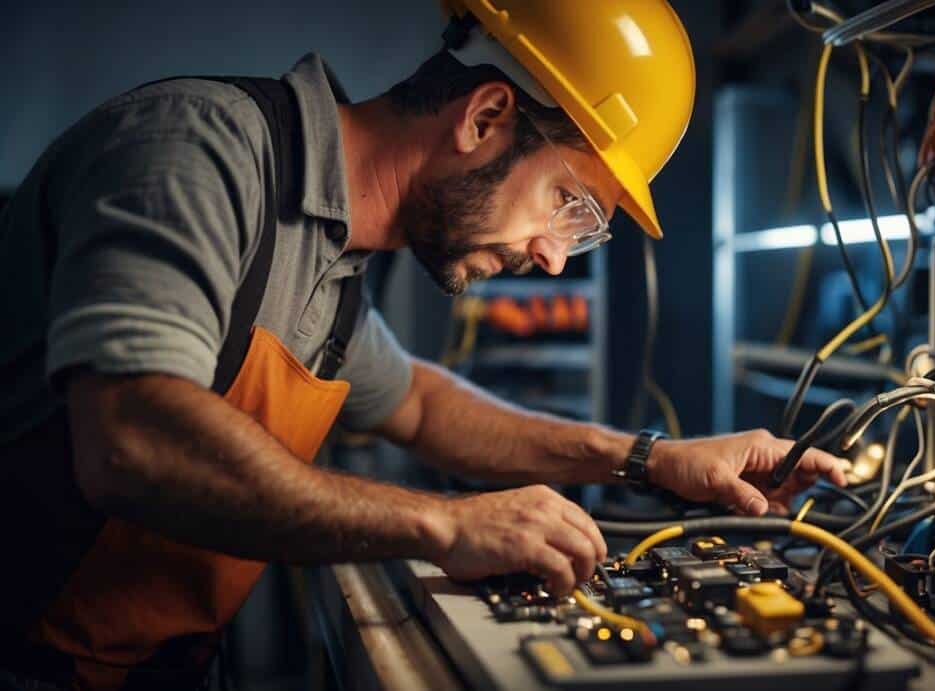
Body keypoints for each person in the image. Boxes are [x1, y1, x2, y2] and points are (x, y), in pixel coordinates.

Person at [0, 2, 846, 688]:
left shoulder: (336, 262)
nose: (553, 253)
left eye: (580, 231)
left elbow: (422, 402)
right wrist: (442, 524)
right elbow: (132, 438)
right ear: (484, 117)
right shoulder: (199, 153)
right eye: (566, 202)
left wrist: (653, 457)